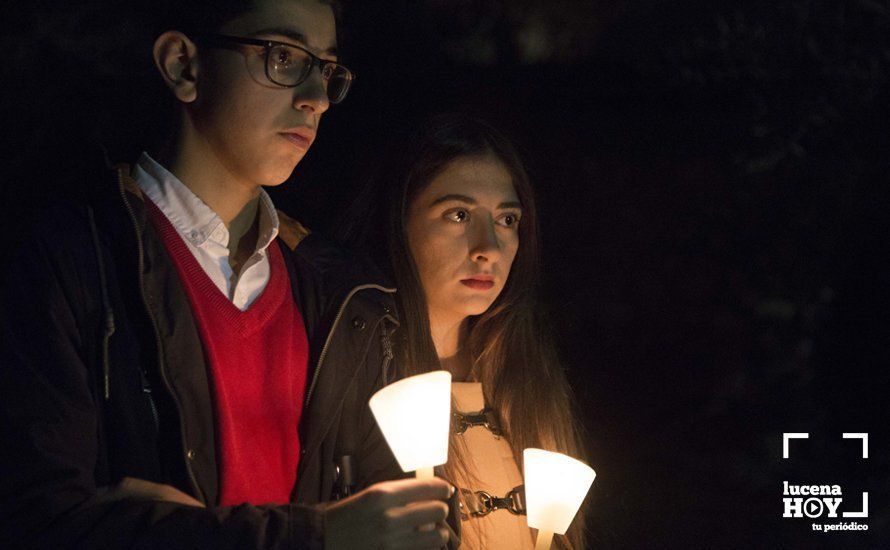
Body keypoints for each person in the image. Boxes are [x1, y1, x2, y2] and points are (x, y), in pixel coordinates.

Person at [0, 1, 454, 548]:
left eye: (327, 70)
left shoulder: (342, 299)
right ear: (183, 65)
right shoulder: (70, 260)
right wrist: (317, 536)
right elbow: (38, 521)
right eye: (282, 56)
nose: (314, 98)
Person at [340, 114, 589, 549]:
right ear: (398, 221)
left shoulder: (525, 383)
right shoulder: (351, 378)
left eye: (507, 220)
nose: (488, 248)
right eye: (458, 214)